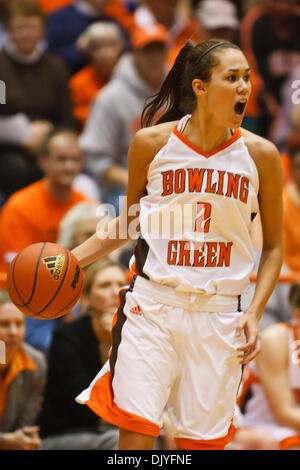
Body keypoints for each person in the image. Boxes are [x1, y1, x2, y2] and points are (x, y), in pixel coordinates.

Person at [72, 38, 283, 450]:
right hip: (152, 307)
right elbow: (129, 222)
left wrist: (255, 312)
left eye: (247, 78)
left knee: (196, 447)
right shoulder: (152, 144)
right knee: (135, 436)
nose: (244, 87)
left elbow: (273, 246)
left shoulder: (261, 155)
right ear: (201, 87)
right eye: (232, 78)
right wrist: (67, 261)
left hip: (220, 315)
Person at [0, 129, 90, 352]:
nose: (69, 166)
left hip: (71, 293)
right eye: (61, 159)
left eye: (75, 159)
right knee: (48, 345)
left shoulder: (87, 206)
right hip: (18, 292)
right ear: (43, 161)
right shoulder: (20, 206)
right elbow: (17, 266)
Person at [38, 259, 127, 450]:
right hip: (64, 434)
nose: (116, 291)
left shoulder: (136, 336)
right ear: (86, 298)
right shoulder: (67, 337)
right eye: (105, 285)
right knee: (122, 441)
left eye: (121, 284)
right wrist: (111, 346)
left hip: (109, 430)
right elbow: (88, 409)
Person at [79, 23, 169, 210]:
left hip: (174, 183)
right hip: (124, 189)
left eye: (159, 50)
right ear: (134, 55)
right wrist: (141, 183)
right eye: (146, 51)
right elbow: (96, 158)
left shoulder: (179, 91)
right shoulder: (110, 98)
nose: (154, 58)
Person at [0, 0, 77, 200]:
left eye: (33, 27)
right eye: (20, 28)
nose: (27, 34)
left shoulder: (56, 67)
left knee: (60, 167)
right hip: (7, 147)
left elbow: (67, 118)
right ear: (9, 31)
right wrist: (22, 134)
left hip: (49, 144)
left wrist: (48, 137)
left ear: (42, 31)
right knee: (15, 169)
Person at [233, 280, 300, 450]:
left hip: (288, 427)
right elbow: (284, 414)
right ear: (298, 315)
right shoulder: (276, 339)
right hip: (252, 423)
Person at [0, 290, 47, 450]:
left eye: (19, 324)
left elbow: (25, 424)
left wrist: (26, 438)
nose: (13, 332)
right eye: (4, 324)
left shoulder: (37, 362)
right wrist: (4, 441)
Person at [45, 0, 128, 74]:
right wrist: (79, 51)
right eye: (98, 48)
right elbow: (50, 57)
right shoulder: (59, 19)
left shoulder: (112, 21)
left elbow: (127, 50)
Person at [69, 21, 124, 126]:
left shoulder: (134, 77)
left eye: (111, 45)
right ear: (89, 51)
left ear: (120, 47)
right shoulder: (79, 82)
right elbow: (78, 115)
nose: (105, 54)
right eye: (98, 47)